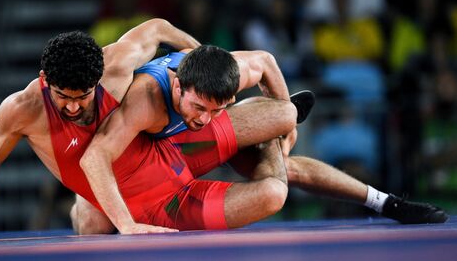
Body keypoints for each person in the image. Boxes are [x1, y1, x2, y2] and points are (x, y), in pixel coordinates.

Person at [78, 45, 448, 234]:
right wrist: (125, 224)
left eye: (216, 108)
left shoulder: (217, 77)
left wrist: (288, 129)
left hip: (193, 147)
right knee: (275, 188)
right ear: (178, 84)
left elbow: (267, 61)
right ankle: (270, 144)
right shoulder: (144, 100)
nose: (203, 117)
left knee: (286, 112)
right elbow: (95, 157)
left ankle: (386, 203)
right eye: (197, 106)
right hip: (155, 175)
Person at [0, 18, 200, 243]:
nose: (73, 108)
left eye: (82, 96)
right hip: (98, 175)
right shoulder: (23, 108)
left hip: (148, 146)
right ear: (44, 80)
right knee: (93, 227)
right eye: (63, 96)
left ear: (98, 79)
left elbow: (158, 28)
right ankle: (81, 205)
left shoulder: (118, 64)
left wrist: (204, 68)